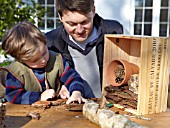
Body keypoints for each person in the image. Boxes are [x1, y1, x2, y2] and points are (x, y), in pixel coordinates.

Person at [45, 0, 123, 98]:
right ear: (60, 16)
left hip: (110, 108)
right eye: (72, 24)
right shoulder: (51, 43)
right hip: (69, 108)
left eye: (85, 22)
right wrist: (59, 87)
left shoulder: (115, 32)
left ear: (93, 10)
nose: (79, 30)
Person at [1, 21, 87, 105]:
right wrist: (39, 96)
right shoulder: (16, 72)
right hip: (27, 115)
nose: (43, 60)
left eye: (44, 53)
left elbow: (73, 77)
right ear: (21, 60)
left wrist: (76, 92)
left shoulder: (57, 60)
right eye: (35, 60)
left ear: (45, 42)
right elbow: (12, 95)